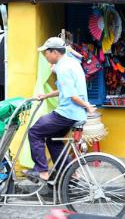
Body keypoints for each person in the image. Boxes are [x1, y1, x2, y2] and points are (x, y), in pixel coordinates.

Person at [25, 37, 96, 181]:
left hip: (67, 113)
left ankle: (42, 171)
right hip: (74, 114)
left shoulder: (63, 68)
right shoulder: (72, 63)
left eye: (47, 52)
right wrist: (46, 95)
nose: (45, 55)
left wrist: (87, 105)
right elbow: (64, 89)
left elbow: (72, 96)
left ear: (55, 52)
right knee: (52, 140)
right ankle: (71, 173)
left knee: (34, 132)